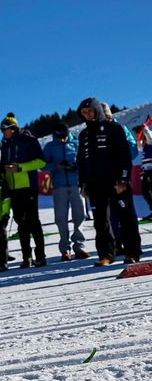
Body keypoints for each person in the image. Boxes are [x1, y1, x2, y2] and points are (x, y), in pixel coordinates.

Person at [77, 97, 141, 266]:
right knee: (101, 221)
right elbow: (82, 161)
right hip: (95, 185)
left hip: (116, 183)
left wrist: (123, 179)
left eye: (90, 111)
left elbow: (124, 156)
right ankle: (106, 255)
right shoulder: (83, 134)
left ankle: (132, 253)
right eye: (84, 113)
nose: (87, 115)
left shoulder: (114, 128)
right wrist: (83, 183)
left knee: (126, 218)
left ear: (98, 110)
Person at [0, 112, 46, 268]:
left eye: (4, 129)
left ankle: (40, 256)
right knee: (21, 224)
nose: (2, 132)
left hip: (28, 187)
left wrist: (20, 167)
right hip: (14, 189)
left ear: (12, 128)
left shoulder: (29, 140)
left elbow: (41, 162)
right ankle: (27, 257)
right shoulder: (5, 145)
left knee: (33, 222)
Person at [42, 122, 88, 261]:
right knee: (61, 218)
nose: (62, 139)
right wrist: (56, 166)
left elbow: (85, 161)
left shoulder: (76, 144)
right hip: (59, 186)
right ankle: (65, 249)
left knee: (80, 216)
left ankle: (79, 247)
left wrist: (76, 166)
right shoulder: (50, 147)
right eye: (59, 137)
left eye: (64, 136)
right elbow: (43, 165)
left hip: (76, 184)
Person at [139, 116, 152, 219]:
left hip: (151, 171)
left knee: (149, 192)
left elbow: (149, 136)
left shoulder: (150, 142)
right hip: (146, 172)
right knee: (145, 192)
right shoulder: (144, 147)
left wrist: (145, 127)